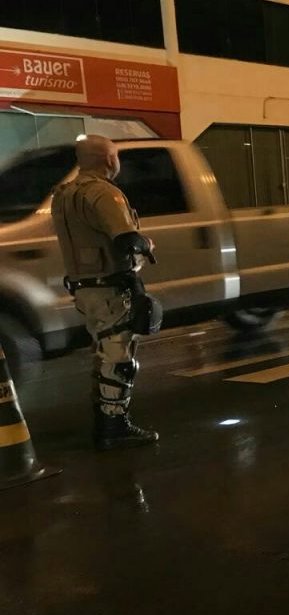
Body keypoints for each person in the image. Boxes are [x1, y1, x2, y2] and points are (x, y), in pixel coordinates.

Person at [51, 135, 161, 450]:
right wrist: (146, 244)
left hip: (84, 288)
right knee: (119, 357)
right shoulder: (102, 193)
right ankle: (114, 425)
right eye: (115, 156)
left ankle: (106, 420)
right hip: (110, 286)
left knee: (104, 354)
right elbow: (126, 239)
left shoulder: (63, 194)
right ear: (109, 159)